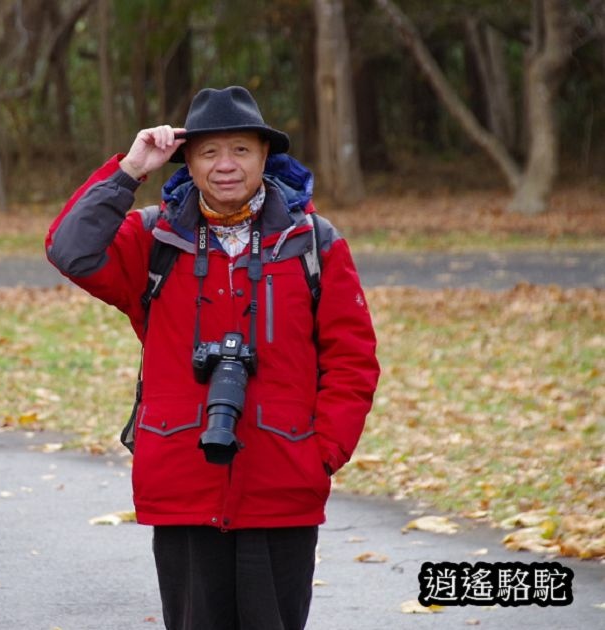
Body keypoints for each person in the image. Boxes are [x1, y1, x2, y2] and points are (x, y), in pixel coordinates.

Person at [46, 86, 380, 630]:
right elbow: (70, 249)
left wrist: (322, 453)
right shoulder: (155, 238)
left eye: (242, 150)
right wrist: (130, 169)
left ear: (266, 156)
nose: (226, 165)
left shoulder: (313, 243)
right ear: (189, 162)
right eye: (209, 152)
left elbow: (352, 359)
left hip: (283, 482)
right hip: (183, 481)